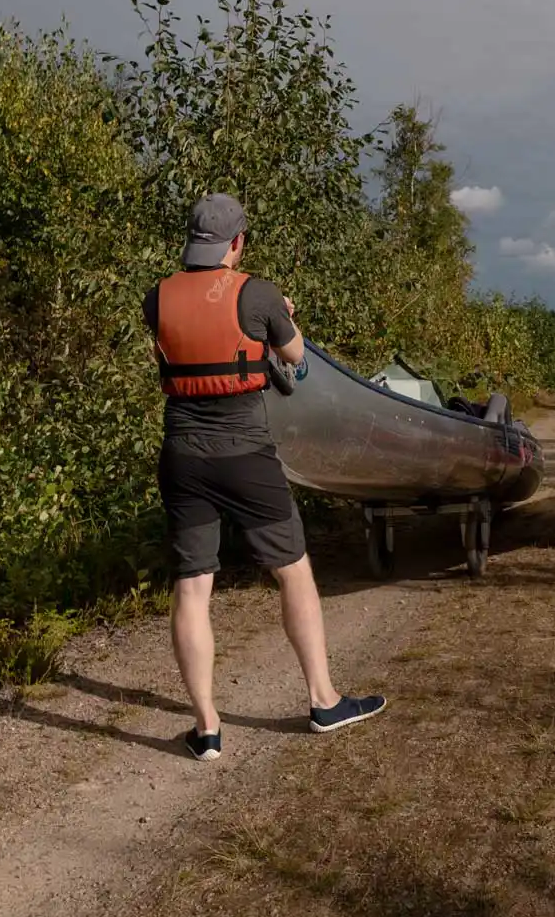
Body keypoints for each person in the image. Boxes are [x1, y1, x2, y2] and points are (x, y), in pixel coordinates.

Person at [143, 192, 386, 760]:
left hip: (182, 455)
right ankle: (324, 701)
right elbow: (295, 357)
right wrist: (280, 317)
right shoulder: (259, 292)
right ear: (238, 242)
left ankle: (206, 728)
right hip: (245, 455)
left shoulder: (156, 298)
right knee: (293, 571)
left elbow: (183, 347)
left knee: (192, 585)